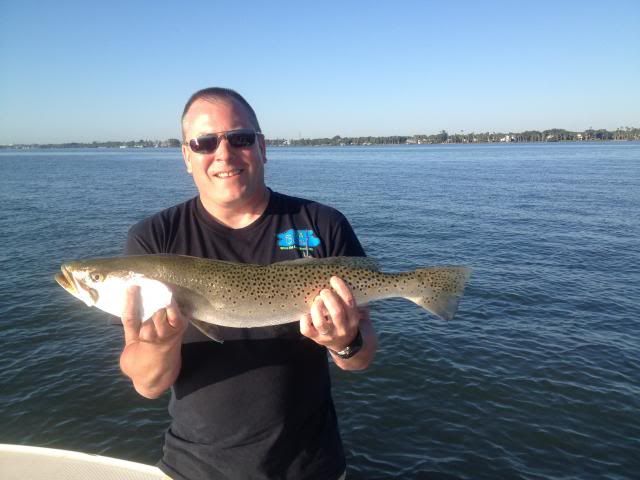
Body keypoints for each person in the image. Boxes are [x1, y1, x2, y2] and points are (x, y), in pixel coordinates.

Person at [120, 87, 378, 480]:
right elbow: (148, 385)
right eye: (204, 143)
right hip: (195, 470)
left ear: (262, 146)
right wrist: (160, 346)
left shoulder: (322, 223)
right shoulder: (153, 241)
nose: (223, 154)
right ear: (186, 156)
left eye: (239, 138)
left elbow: (360, 359)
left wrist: (344, 341)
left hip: (312, 468)